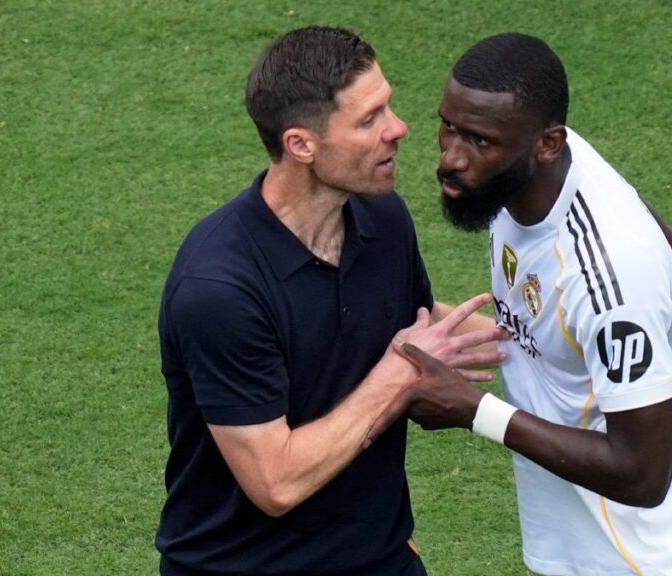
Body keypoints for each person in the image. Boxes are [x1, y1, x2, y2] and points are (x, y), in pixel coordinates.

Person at [368, 33, 672, 576]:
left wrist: (472, 409)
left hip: (659, 558)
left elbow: (643, 475)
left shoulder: (611, 269)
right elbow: (665, 241)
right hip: (590, 551)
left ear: (548, 144)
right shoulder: (544, 169)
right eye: (449, 126)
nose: (450, 158)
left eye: (480, 142)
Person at [155, 26, 505, 576]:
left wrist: (554, 342)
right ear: (301, 144)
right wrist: (397, 374)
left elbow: (416, 320)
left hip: (380, 561)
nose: (400, 129)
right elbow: (276, 481)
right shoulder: (219, 290)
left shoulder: (383, 218)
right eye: (369, 120)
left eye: (387, 106)